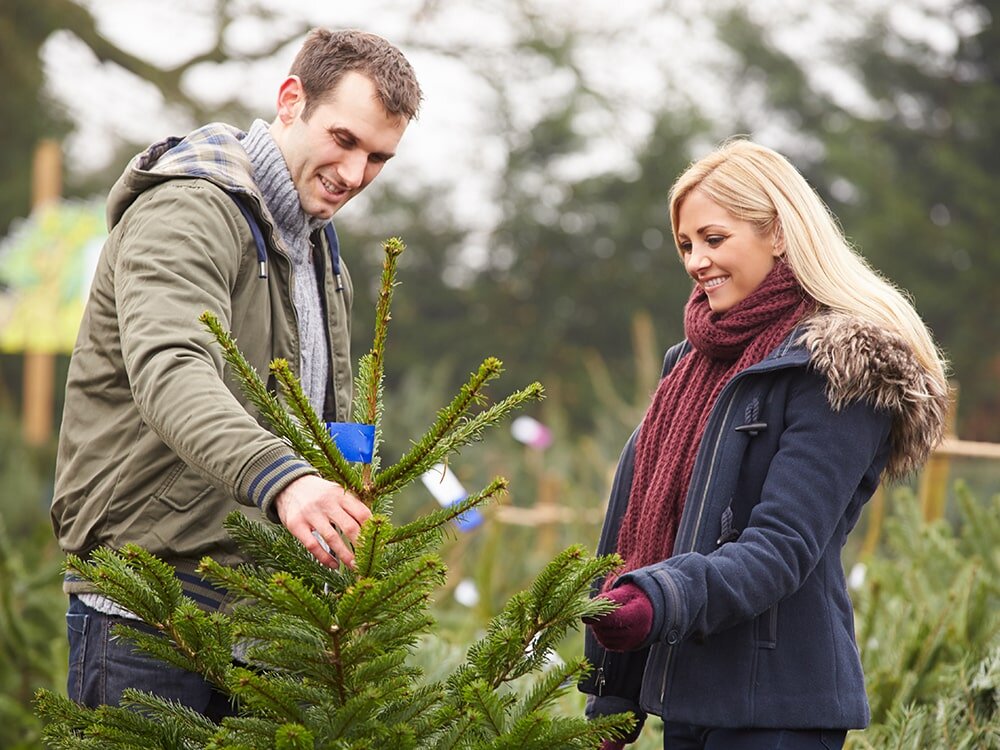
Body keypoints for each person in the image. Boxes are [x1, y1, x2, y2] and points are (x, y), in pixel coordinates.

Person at [51, 28, 422, 719]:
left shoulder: (318, 252)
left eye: (378, 157)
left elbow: (326, 413)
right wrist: (286, 481)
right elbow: (171, 370)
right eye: (343, 139)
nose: (355, 172)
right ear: (290, 101)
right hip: (152, 605)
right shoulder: (186, 209)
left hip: (269, 615)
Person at [579, 138, 949, 750]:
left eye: (714, 238)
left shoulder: (839, 371)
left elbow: (780, 548)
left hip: (777, 713)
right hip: (686, 702)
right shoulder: (689, 370)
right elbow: (629, 530)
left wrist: (656, 599)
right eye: (686, 245)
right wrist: (611, 698)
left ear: (777, 233)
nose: (697, 260)